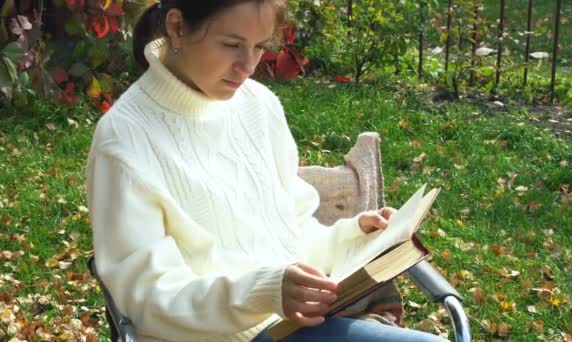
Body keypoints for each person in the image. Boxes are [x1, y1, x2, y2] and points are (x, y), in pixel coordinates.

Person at [86, 1, 448, 341]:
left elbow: (288, 234)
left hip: (294, 326)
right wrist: (262, 293)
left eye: (259, 47)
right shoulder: (124, 139)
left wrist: (353, 237)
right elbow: (144, 301)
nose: (248, 66)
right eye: (231, 44)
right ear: (178, 27)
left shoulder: (258, 106)